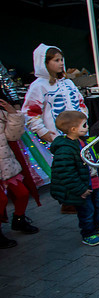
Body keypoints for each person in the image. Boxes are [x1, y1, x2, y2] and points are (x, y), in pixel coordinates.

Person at [49, 111, 99, 246]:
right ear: (73, 129)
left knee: (97, 207)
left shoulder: (83, 141)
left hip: (93, 182)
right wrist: (80, 189)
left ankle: (98, 226)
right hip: (83, 186)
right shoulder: (65, 149)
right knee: (86, 211)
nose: (87, 127)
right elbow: (66, 173)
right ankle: (88, 233)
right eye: (84, 125)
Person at [22, 44, 88, 143]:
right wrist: (42, 131)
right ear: (45, 63)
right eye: (56, 60)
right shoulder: (38, 86)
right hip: (55, 138)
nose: (61, 63)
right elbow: (30, 113)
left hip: (78, 136)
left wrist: (83, 122)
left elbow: (81, 103)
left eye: (62, 60)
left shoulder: (68, 83)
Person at [0, 99, 39, 248]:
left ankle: (19, 219)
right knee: (1, 200)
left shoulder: (3, 115)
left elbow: (13, 136)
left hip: (6, 163)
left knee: (22, 193)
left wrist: (12, 114)